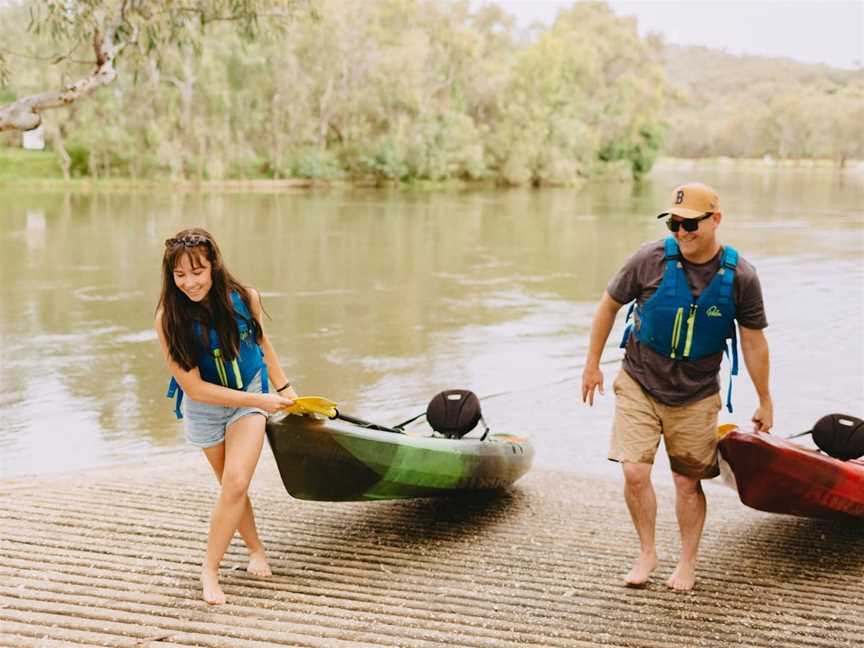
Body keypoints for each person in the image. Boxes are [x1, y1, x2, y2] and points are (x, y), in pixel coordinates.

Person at [581, 183, 772, 591]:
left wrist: (765, 399)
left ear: (715, 220)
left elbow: (754, 341)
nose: (681, 233)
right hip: (639, 380)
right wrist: (592, 365)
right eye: (674, 223)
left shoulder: (741, 277)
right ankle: (647, 552)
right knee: (635, 471)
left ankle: (687, 563)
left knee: (687, 482)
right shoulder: (648, 260)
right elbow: (607, 306)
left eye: (690, 224)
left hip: (697, 393)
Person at [155, 228, 297, 605]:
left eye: (197, 272)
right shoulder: (168, 317)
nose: (189, 282)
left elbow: (263, 345)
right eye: (180, 275)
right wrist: (266, 402)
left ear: (214, 265)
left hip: (250, 394)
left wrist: (283, 391)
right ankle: (255, 550)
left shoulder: (245, 298)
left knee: (235, 482)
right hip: (204, 407)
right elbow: (196, 389)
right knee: (231, 490)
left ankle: (210, 569)